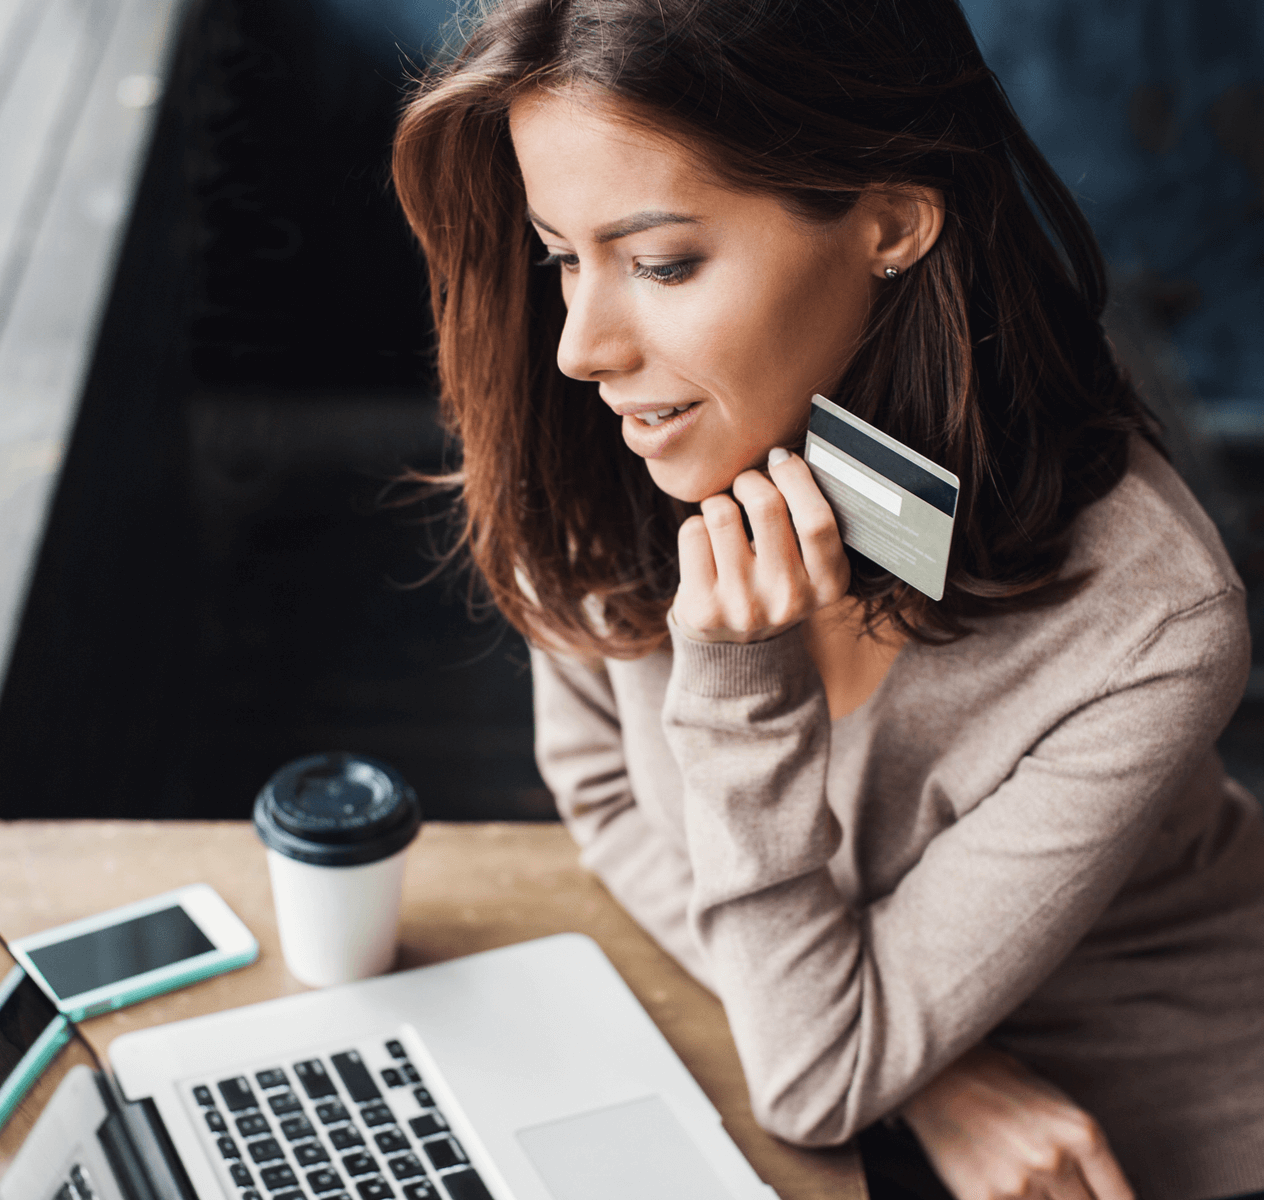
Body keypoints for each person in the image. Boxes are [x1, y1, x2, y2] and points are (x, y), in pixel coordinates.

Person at [390, 1, 1264, 1197]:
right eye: (560, 256)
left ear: (890, 223)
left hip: (1123, 1143)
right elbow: (600, 788)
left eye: (658, 263)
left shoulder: (1151, 623)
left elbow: (808, 1079)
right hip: (868, 1086)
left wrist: (742, 690)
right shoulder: (626, 430)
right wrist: (932, 1074)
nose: (579, 346)